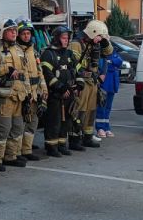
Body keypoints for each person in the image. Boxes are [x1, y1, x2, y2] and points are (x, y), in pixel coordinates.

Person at [0, 19, 28, 172]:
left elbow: (24, 73)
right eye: (10, 30)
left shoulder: (18, 49)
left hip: (19, 95)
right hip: (4, 97)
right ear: (2, 32)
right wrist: (6, 69)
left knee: (17, 128)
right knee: (3, 128)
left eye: (15, 30)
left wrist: (28, 92)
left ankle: (11, 156)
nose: (14, 33)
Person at [69, 20, 112, 149]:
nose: (99, 40)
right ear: (93, 33)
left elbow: (108, 53)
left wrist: (104, 42)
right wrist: (83, 76)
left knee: (91, 111)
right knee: (79, 110)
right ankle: (75, 138)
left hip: (93, 82)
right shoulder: (77, 44)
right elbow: (73, 63)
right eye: (99, 36)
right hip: (81, 82)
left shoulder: (94, 44)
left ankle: (87, 136)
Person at [40, 25, 76, 157]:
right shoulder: (48, 54)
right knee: (54, 121)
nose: (66, 40)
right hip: (55, 94)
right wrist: (60, 87)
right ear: (56, 39)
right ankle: (51, 147)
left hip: (68, 93)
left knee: (66, 121)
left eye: (67, 38)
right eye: (63, 38)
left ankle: (61, 145)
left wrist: (78, 84)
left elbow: (76, 69)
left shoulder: (69, 53)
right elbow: (47, 74)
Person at [17, 19, 47, 161]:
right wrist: (27, 93)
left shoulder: (33, 52)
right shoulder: (16, 52)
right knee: (21, 125)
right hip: (24, 95)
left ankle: (27, 150)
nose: (26, 36)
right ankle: (17, 152)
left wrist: (44, 89)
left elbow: (40, 72)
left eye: (28, 33)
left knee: (32, 124)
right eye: (23, 33)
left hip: (36, 94)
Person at [96, 43, 124, 138]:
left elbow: (119, 61)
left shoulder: (113, 51)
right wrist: (111, 62)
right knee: (101, 106)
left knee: (108, 107)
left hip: (112, 84)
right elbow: (101, 65)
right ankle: (100, 128)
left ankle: (106, 128)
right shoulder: (101, 52)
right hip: (104, 83)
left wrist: (110, 61)